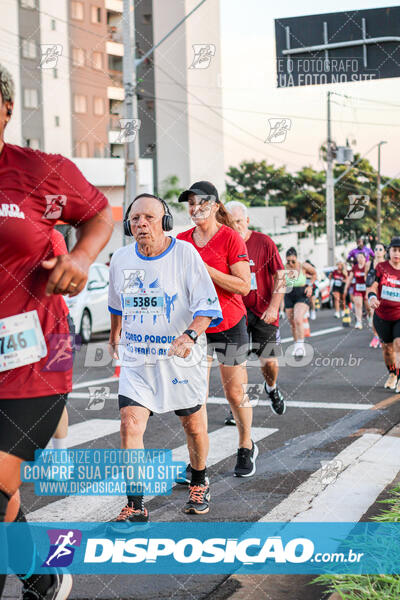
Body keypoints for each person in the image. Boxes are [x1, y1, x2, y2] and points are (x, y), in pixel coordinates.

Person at [0, 63, 113, 600]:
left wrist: (84, 257)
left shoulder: (40, 171)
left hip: (32, 365)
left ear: (5, 111)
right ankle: (42, 577)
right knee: (4, 499)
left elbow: (99, 214)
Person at [108, 194, 222, 520]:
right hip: (137, 359)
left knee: (194, 427)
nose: (141, 224)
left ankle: (199, 480)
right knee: (130, 424)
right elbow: (117, 304)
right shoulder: (120, 259)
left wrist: (190, 335)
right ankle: (136, 505)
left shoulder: (185, 255)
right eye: (135, 220)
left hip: (180, 358)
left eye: (149, 218)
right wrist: (116, 332)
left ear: (166, 221)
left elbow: (207, 307)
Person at [177, 182, 258, 479]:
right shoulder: (182, 240)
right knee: (195, 396)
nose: (195, 208)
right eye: (190, 203)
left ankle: (246, 444)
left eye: (201, 203)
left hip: (228, 323)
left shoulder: (231, 239)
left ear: (215, 205)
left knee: (235, 393)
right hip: (196, 326)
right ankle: (197, 464)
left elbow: (243, 285)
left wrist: (206, 270)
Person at [225, 200, 286, 416]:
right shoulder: (224, 244)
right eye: (231, 222)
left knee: (268, 361)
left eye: (239, 221)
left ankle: (271, 388)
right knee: (236, 362)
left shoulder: (264, 242)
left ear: (247, 221)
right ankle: (237, 407)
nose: (235, 226)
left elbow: (280, 276)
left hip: (263, 311)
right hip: (236, 312)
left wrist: (273, 307)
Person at [368, 237, 400, 393]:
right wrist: (372, 297)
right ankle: (393, 373)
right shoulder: (381, 267)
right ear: (389, 252)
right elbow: (373, 285)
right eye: (394, 250)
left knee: (399, 344)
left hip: (399, 315)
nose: (397, 254)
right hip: (382, 316)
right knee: (387, 349)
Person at [284, 248, 317, 357]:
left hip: (301, 294)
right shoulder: (284, 268)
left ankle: (301, 346)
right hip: (289, 295)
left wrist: (310, 286)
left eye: (293, 261)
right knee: (292, 322)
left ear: (297, 259)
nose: (290, 264)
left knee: (298, 319)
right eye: (288, 261)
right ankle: (296, 345)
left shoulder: (303, 266)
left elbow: (314, 274)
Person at [344, 252, 371, 330]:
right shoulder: (355, 267)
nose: (360, 259)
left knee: (368, 307)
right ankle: (359, 322)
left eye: (361, 257)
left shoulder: (367, 266)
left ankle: (369, 317)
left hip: (366, 289)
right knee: (358, 304)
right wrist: (346, 287)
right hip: (357, 288)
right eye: (358, 257)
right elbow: (350, 278)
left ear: (364, 258)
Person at [366, 243, 386, 348]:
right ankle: (376, 336)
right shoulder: (369, 264)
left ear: (384, 252)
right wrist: (367, 293)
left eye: (380, 249)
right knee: (373, 315)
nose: (378, 251)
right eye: (376, 249)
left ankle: (384, 337)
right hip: (372, 294)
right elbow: (367, 279)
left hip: (384, 294)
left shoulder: (388, 265)